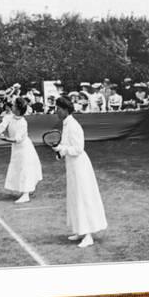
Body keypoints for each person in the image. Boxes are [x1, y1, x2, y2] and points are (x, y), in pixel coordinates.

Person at [52, 97, 108, 248]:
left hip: (80, 166)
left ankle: (88, 235)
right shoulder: (66, 124)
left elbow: (78, 148)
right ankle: (80, 230)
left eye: (58, 108)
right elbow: (66, 145)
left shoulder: (74, 125)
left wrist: (62, 149)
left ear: (65, 110)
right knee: (75, 198)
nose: (56, 111)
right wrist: (60, 151)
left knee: (83, 198)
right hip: (72, 166)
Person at [0, 97, 43, 204]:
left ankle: (26, 194)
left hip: (25, 149)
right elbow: (2, 127)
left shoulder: (23, 123)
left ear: (18, 109)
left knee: (25, 169)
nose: (11, 106)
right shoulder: (9, 117)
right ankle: (28, 189)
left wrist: (5, 139)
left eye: (13, 105)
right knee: (18, 168)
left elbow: (17, 140)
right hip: (16, 149)